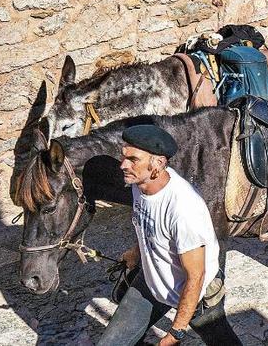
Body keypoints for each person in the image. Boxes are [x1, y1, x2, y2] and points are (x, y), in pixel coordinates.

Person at [97, 124, 242, 346]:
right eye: (124, 156)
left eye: (133, 159)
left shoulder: (183, 208)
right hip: (152, 282)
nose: (123, 165)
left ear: (158, 164)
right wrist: (136, 252)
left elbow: (196, 276)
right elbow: (147, 223)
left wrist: (176, 333)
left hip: (194, 294)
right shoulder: (140, 184)